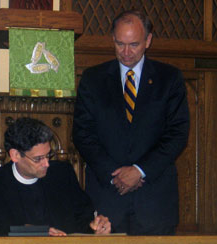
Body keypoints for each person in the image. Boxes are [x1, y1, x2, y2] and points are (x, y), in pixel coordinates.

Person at [72, 10, 190, 235]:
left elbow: (177, 134)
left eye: (134, 44)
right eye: (119, 44)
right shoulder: (93, 79)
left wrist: (139, 170)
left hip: (154, 202)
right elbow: (83, 134)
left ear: (148, 41)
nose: (126, 52)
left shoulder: (169, 79)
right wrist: (115, 175)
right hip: (107, 199)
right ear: (112, 40)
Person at [0, 117, 111, 237]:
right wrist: (32, 232)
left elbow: (83, 220)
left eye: (48, 155)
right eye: (38, 159)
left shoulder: (62, 174)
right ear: (15, 155)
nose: (46, 163)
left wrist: (96, 226)